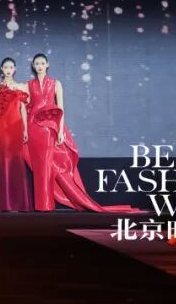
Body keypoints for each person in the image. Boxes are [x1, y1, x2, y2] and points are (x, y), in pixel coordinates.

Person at [25, 53, 139, 212]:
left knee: (48, 165)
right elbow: (26, 107)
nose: (39, 66)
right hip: (34, 127)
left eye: (42, 63)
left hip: (51, 127)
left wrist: (60, 130)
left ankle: (47, 204)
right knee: (39, 166)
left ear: (47, 65)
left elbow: (61, 108)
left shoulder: (55, 83)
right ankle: (41, 204)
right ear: (33, 66)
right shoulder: (28, 85)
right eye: (37, 63)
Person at [0, 57, 31, 212]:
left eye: (11, 67)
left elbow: (23, 110)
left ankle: (17, 203)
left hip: (16, 126)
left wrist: (25, 129)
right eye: (5, 67)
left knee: (16, 161)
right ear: (1, 69)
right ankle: (4, 202)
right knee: (3, 161)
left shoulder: (21, 87)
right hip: (2, 126)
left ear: (15, 69)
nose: (8, 70)